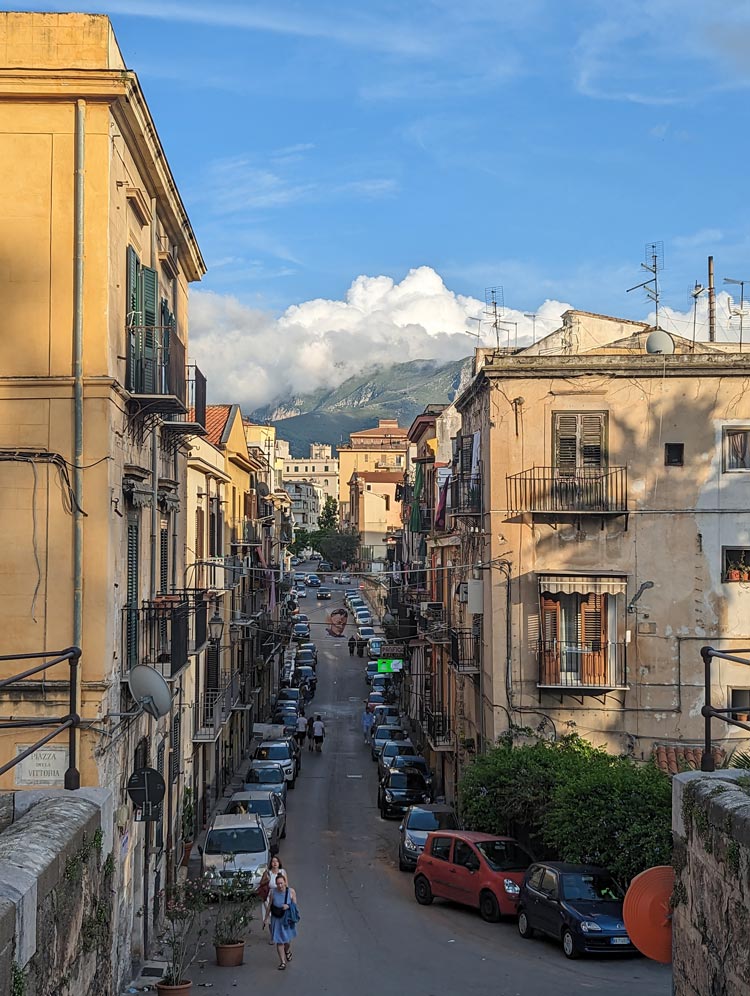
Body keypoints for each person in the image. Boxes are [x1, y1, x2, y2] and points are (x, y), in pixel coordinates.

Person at [263, 871, 298, 968]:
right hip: (276, 919)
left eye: (281, 883)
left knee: (287, 940)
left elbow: (295, 906)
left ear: (285, 882)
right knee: (279, 941)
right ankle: (282, 962)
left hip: (287, 919)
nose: (280, 886)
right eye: (278, 884)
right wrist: (266, 918)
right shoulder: (273, 892)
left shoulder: (291, 891)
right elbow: (269, 905)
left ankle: (287, 950)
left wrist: (288, 906)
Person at [259, 854, 286, 943]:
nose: (275, 863)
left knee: (279, 915)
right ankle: (273, 936)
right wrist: (267, 880)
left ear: (279, 863)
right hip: (269, 896)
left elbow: (286, 885)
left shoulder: (282, 872)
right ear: (271, 863)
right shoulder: (268, 873)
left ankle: (280, 934)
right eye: (273, 861)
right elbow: (261, 883)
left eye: (276, 861)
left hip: (279, 896)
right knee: (270, 918)